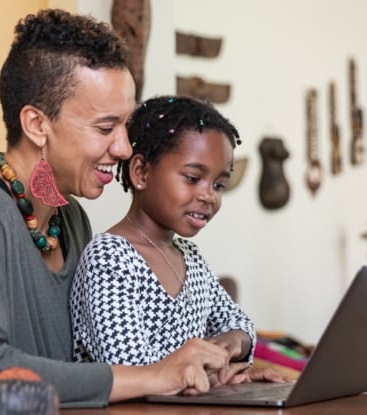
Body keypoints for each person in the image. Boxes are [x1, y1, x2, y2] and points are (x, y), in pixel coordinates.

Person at [0, 10, 273, 415]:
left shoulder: (70, 220)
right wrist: (158, 375)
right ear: (36, 124)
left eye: (126, 127)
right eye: (105, 128)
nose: (123, 148)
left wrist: (216, 373)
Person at [71, 96, 261, 380]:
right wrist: (213, 373)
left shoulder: (190, 256)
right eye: (193, 178)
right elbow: (132, 373)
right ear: (141, 172)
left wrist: (233, 342)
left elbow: (240, 323)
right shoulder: (109, 257)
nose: (208, 195)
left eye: (219, 184)